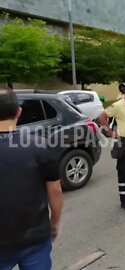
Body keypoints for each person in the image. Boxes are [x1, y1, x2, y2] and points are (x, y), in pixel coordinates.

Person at [0, 87, 63, 269]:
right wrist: (56, 221)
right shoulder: (39, 145)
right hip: (35, 237)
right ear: (19, 111)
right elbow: (56, 190)